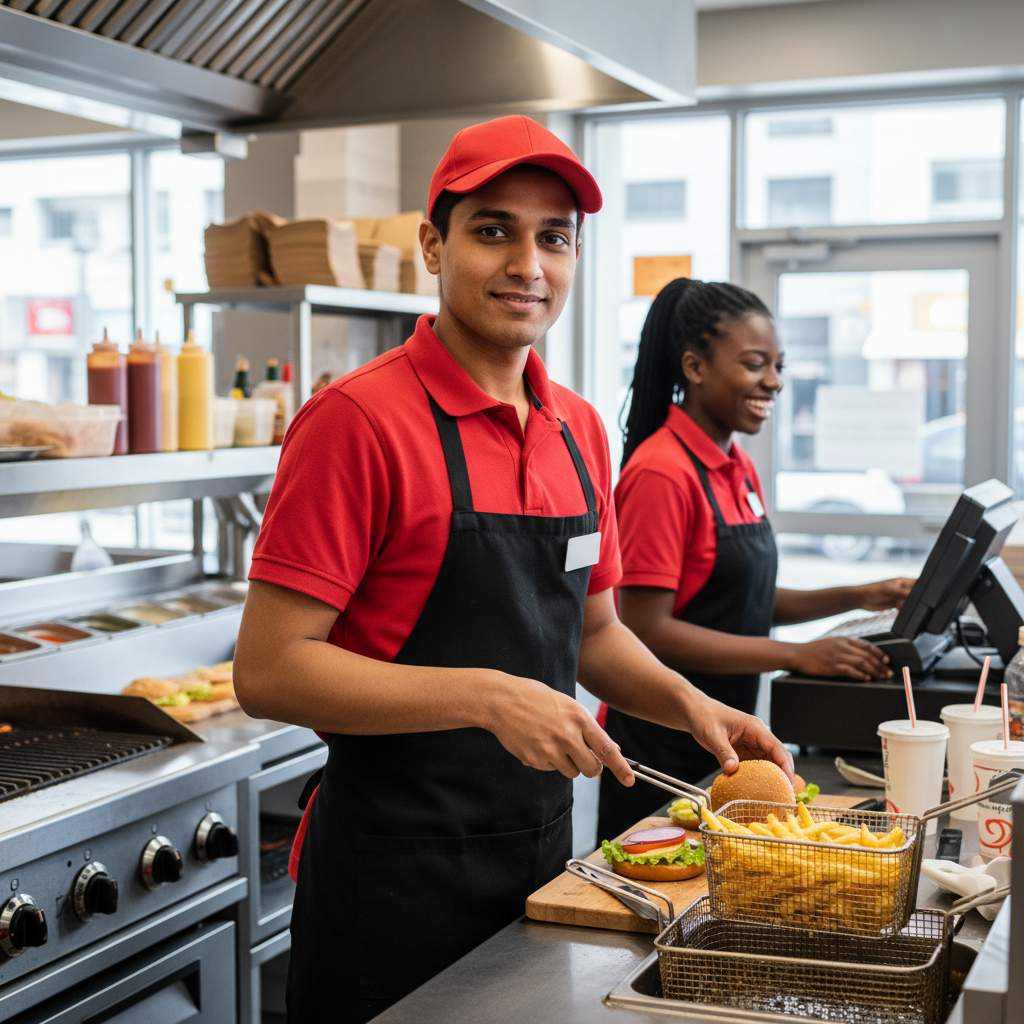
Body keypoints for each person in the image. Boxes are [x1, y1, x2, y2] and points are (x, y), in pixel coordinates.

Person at [233, 119, 793, 1024]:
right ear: (432, 244)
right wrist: (487, 696)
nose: (527, 263)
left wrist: (693, 707)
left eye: (554, 236)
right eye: (493, 229)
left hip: (541, 870)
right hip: (388, 883)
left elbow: (596, 631)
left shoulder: (579, 428)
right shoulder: (357, 422)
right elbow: (268, 669)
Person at [597, 278, 914, 839]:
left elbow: (738, 600)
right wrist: (798, 654)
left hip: (727, 741)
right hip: (663, 747)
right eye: (754, 363)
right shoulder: (661, 474)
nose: (775, 380)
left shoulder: (735, 462)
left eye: (778, 364)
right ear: (694, 367)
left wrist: (861, 595)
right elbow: (647, 628)